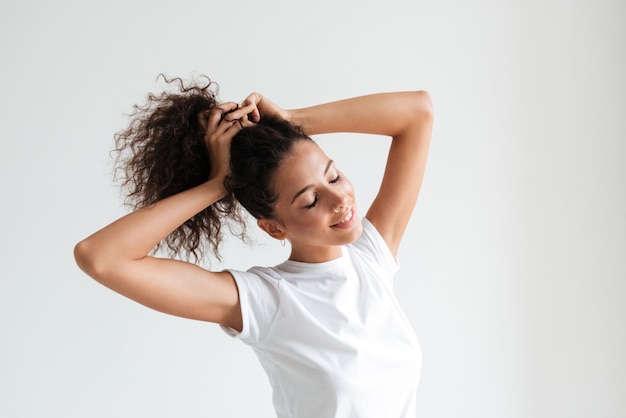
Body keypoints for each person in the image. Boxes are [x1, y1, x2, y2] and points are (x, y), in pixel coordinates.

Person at [74, 76, 434, 418]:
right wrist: (219, 183)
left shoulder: (371, 258)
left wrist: (294, 120)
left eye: (334, 175)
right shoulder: (267, 300)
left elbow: (418, 112)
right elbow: (100, 257)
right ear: (274, 228)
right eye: (310, 200)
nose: (339, 199)